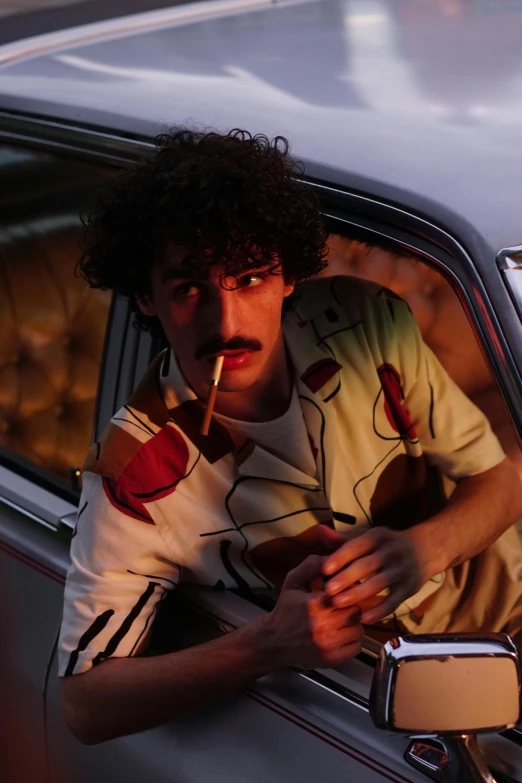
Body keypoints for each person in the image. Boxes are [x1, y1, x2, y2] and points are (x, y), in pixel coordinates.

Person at [59, 128, 522, 745]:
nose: (227, 323)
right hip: (412, 705)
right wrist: (267, 644)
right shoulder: (134, 475)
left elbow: (502, 478)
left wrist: (426, 549)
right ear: (147, 297)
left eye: (249, 277)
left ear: (287, 277)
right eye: (189, 288)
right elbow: (85, 704)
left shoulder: (364, 323)